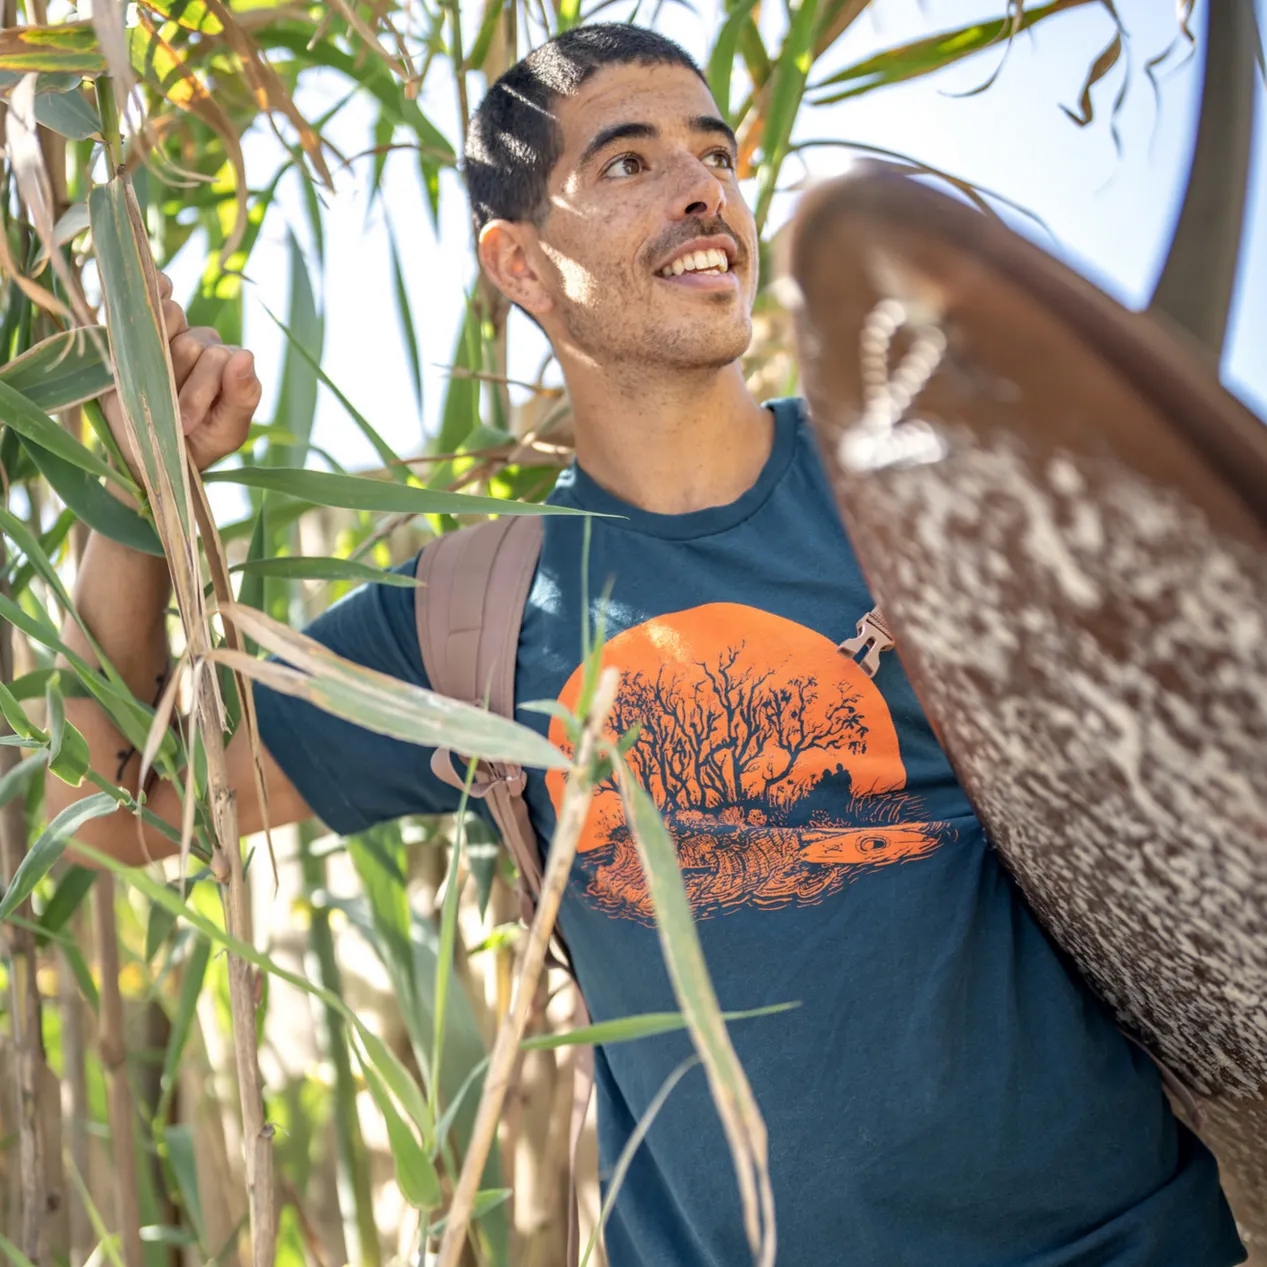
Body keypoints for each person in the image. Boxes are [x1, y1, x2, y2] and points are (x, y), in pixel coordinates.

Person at [54, 23, 1246, 1267]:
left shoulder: (915, 484)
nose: (702, 192)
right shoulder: (471, 617)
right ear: (518, 265)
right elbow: (112, 810)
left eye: (715, 152)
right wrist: (137, 493)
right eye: (628, 164)